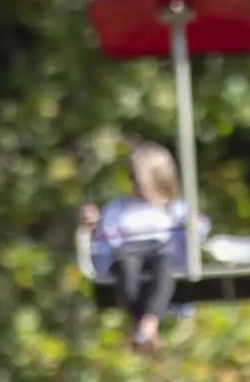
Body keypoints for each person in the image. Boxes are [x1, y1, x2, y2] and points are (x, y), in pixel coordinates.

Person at [80, 143, 190, 349]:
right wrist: (93, 227)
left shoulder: (172, 208)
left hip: (161, 251)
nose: (135, 187)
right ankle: (143, 326)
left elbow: (196, 228)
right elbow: (104, 240)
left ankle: (149, 322)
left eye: (139, 181)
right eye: (132, 180)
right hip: (128, 252)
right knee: (126, 270)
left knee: (164, 267)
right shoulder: (119, 208)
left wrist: (193, 227)